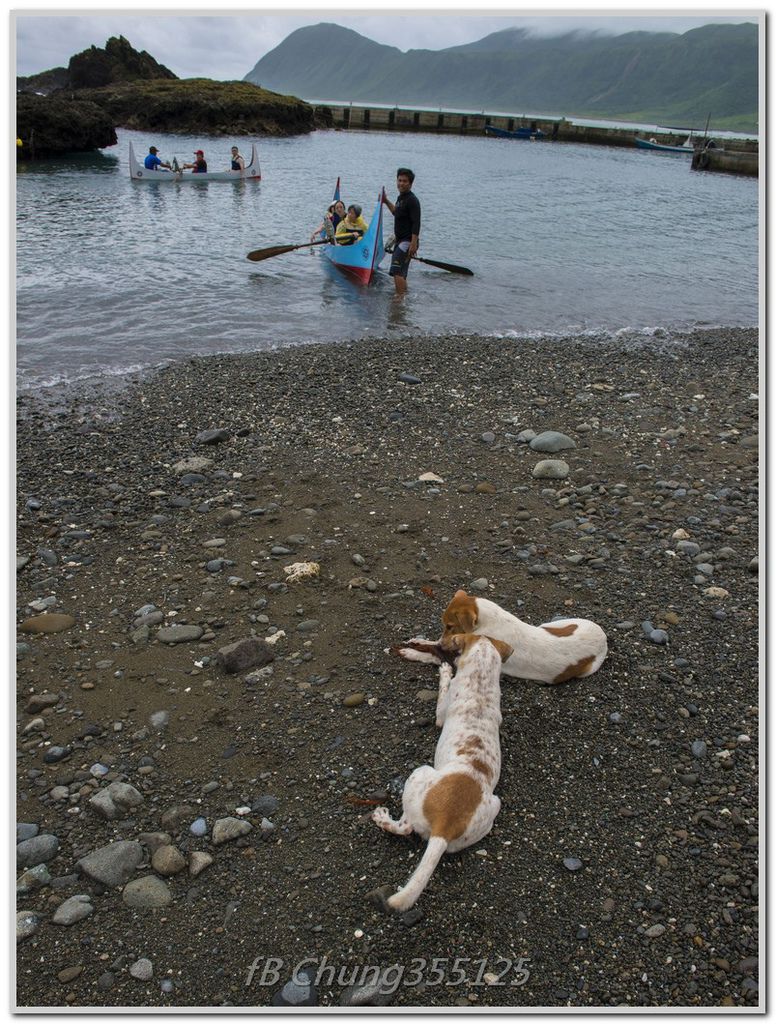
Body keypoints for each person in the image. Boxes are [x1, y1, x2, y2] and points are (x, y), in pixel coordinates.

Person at [382, 167, 420, 295]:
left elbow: (416, 223)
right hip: (400, 241)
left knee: (396, 270)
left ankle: (399, 299)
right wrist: (386, 201)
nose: (401, 183)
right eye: (399, 180)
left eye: (405, 181)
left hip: (407, 242)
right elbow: (396, 213)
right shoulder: (401, 198)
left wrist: (413, 244)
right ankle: (403, 299)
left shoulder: (412, 200)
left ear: (410, 183)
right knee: (401, 273)